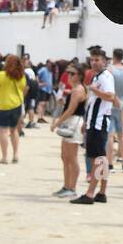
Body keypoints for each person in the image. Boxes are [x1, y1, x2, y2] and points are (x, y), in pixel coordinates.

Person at [71, 48, 117, 204]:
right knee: (101, 158)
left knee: (96, 158)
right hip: (94, 121)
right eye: (92, 59)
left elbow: (110, 97)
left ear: (104, 61)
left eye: (97, 59)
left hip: (98, 123)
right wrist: (86, 121)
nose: (94, 62)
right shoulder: (99, 76)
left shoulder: (105, 77)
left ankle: (90, 193)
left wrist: (94, 89)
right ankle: (102, 192)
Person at [51, 62, 86, 198]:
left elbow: (72, 110)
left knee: (71, 157)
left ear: (80, 75)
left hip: (74, 123)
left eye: (73, 73)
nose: (69, 76)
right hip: (71, 122)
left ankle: (71, 187)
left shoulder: (78, 89)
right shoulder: (76, 88)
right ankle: (67, 186)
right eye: (68, 73)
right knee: (65, 157)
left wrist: (57, 123)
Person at [0, 54, 27, 163]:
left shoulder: (2, 75)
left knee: (3, 131)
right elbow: (23, 90)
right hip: (16, 105)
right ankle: (15, 155)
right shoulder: (22, 76)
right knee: (14, 130)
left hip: (2, 105)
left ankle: (4, 157)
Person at [108, 48, 123, 171]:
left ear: (113, 56)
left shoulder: (110, 69)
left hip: (112, 104)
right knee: (122, 136)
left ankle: (110, 163)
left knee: (110, 136)